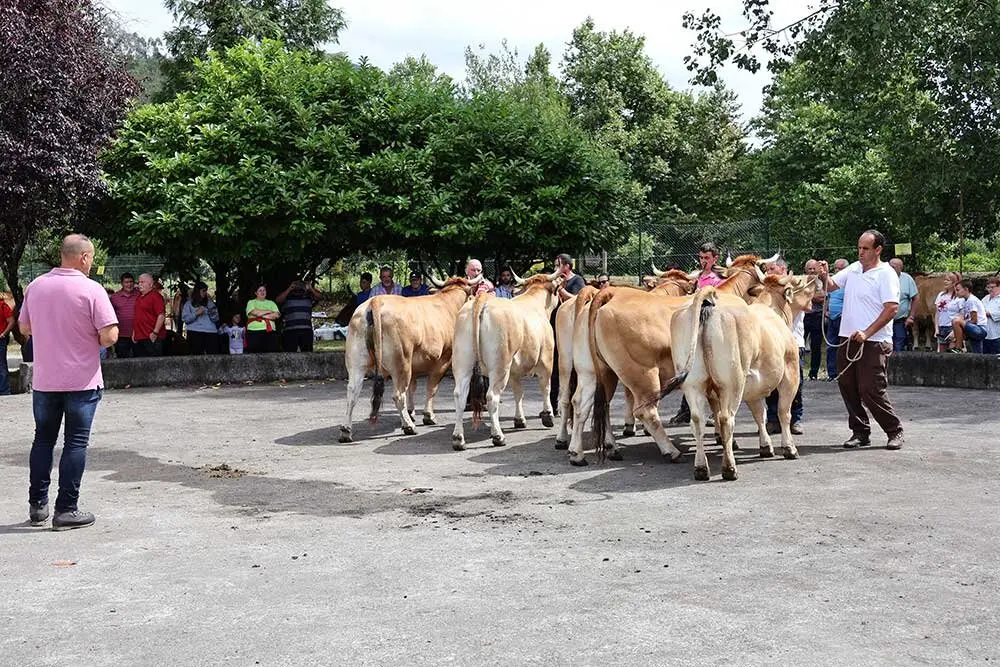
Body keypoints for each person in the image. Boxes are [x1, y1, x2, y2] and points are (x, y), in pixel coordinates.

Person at [18, 234, 118, 530]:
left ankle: (38, 507)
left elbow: (25, 328)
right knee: (75, 443)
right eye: (92, 258)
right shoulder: (92, 289)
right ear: (84, 257)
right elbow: (110, 335)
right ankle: (66, 509)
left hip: (46, 381)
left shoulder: (35, 287)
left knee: (43, 440)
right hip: (82, 381)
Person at [818, 229, 904, 451]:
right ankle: (860, 431)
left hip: (875, 341)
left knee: (871, 388)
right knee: (847, 385)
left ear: (878, 250)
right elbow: (831, 286)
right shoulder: (854, 269)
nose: (861, 252)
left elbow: (892, 308)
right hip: (848, 338)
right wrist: (823, 274)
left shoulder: (886, 273)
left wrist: (867, 332)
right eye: (859, 248)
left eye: (866, 248)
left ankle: (894, 430)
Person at [668, 243, 725, 425]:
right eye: (701, 258)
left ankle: (716, 413)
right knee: (692, 367)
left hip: (710, 324)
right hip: (694, 325)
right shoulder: (698, 277)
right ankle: (687, 409)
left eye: (706, 258)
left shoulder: (718, 280)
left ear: (715, 258)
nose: (703, 261)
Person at [765, 259, 805, 434]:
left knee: (795, 383)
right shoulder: (764, 291)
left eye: (772, 269)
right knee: (770, 383)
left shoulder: (796, 287)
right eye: (767, 270)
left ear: (783, 269)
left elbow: (807, 305)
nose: (769, 273)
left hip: (794, 341)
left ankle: (795, 419)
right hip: (770, 343)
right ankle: (773, 419)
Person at [550, 253, 586, 412]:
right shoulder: (554, 280)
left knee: (574, 365)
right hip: (554, 325)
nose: (555, 268)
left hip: (572, 327)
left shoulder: (577, 280)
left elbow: (579, 300)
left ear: (567, 266)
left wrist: (561, 291)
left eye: (558, 265)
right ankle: (552, 403)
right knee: (554, 365)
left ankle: (575, 400)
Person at [277, 279, 321, 352]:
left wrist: (310, 288)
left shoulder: (309, 295)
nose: (299, 287)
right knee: (289, 354)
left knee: (308, 353)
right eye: (296, 285)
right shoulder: (287, 296)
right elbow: (278, 300)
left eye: (301, 285)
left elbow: (320, 297)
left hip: (306, 330)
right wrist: (289, 289)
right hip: (290, 330)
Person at [824, 258, 849, 380]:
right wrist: (825, 312)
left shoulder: (849, 283)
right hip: (832, 318)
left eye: (840, 268)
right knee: (831, 346)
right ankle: (832, 373)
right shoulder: (833, 282)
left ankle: (844, 373)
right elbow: (827, 298)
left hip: (842, 318)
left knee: (843, 346)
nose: (837, 270)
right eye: (836, 268)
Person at [803, 259, 827, 379]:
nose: (812, 271)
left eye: (814, 268)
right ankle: (799, 371)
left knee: (816, 346)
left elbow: (822, 297)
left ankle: (814, 373)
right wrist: (814, 297)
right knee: (800, 345)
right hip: (804, 316)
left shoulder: (822, 281)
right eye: (810, 269)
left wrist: (807, 296)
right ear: (806, 270)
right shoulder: (801, 281)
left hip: (817, 316)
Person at [888, 258, 919, 352]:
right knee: (884, 347)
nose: (890, 268)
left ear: (900, 268)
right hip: (883, 321)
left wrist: (911, 317)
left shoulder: (907, 279)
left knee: (898, 347)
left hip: (899, 321)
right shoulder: (881, 278)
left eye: (893, 267)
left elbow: (916, 298)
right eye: (889, 266)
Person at [182, 281, 221, 355]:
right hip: (195, 331)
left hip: (210, 331)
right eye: (203, 291)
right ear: (197, 291)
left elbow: (216, 318)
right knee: (196, 356)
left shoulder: (210, 303)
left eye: (206, 291)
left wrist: (212, 313)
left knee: (213, 356)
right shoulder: (189, 304)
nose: (205, 293)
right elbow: (185, 319)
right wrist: (196, 314)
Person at [133, 273, 166, 357]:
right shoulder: (139, 297)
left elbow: (161, 315)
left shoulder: (156, 296)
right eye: (139, 282)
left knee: (153, 364)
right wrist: (134, 332)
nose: (139, 284)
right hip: (140, 337)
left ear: (150, 284)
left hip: (151, 337)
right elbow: (137, 316)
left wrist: (155, 332)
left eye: (142, 282)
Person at [952, 279, 988, 353]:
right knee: (977, 353)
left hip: (979, 329)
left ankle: (958, 347)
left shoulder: (972, 300)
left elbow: (974, 320)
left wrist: (963, 331)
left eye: (958, 290)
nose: (956, 292)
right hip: (974, 328)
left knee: (956, 321)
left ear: (966, 289)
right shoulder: (965, 301)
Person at [109, 272, 138, 358]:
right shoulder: (115, 297)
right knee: (122, 359)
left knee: (139, 359)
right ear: (122, 283)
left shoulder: (139, 295)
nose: (129, 284)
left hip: (138, 334)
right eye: (126, 282)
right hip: (121, 335)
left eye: (131, 282)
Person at [933, 272, 964, 352]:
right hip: (941, 327)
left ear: (954, 282)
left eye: (948, 280)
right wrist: (936, 328)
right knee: (941, 354)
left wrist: (955, 331)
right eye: (945, 280)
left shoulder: (959, 297)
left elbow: (962, 314)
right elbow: (937, 313)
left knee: (952, 353)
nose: (945, 282)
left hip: (952, 327)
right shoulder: (941, 295)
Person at [246, 285, 281, 353]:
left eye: (264, 290)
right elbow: (254, 312)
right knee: (255, 354)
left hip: (270, 331)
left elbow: (276, 315)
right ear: (256, 293)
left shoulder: (271, 303)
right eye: (260, 290)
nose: (262, 292)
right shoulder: (251, 302)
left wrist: (260, 315)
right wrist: (269, 311)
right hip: (254, 331)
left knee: (271, 353)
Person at [0, 295, 14, 395]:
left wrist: (4, 333)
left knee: (1, 364)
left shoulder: (3, 306)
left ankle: (4, 390)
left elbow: (11, 321)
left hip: (0, 340)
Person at [983, 277, 1000, 354]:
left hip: (997, 335)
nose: (990, 290)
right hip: (985, 335)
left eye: (992, 287)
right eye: (988, 287)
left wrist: (989, 313)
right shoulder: (985, 298)